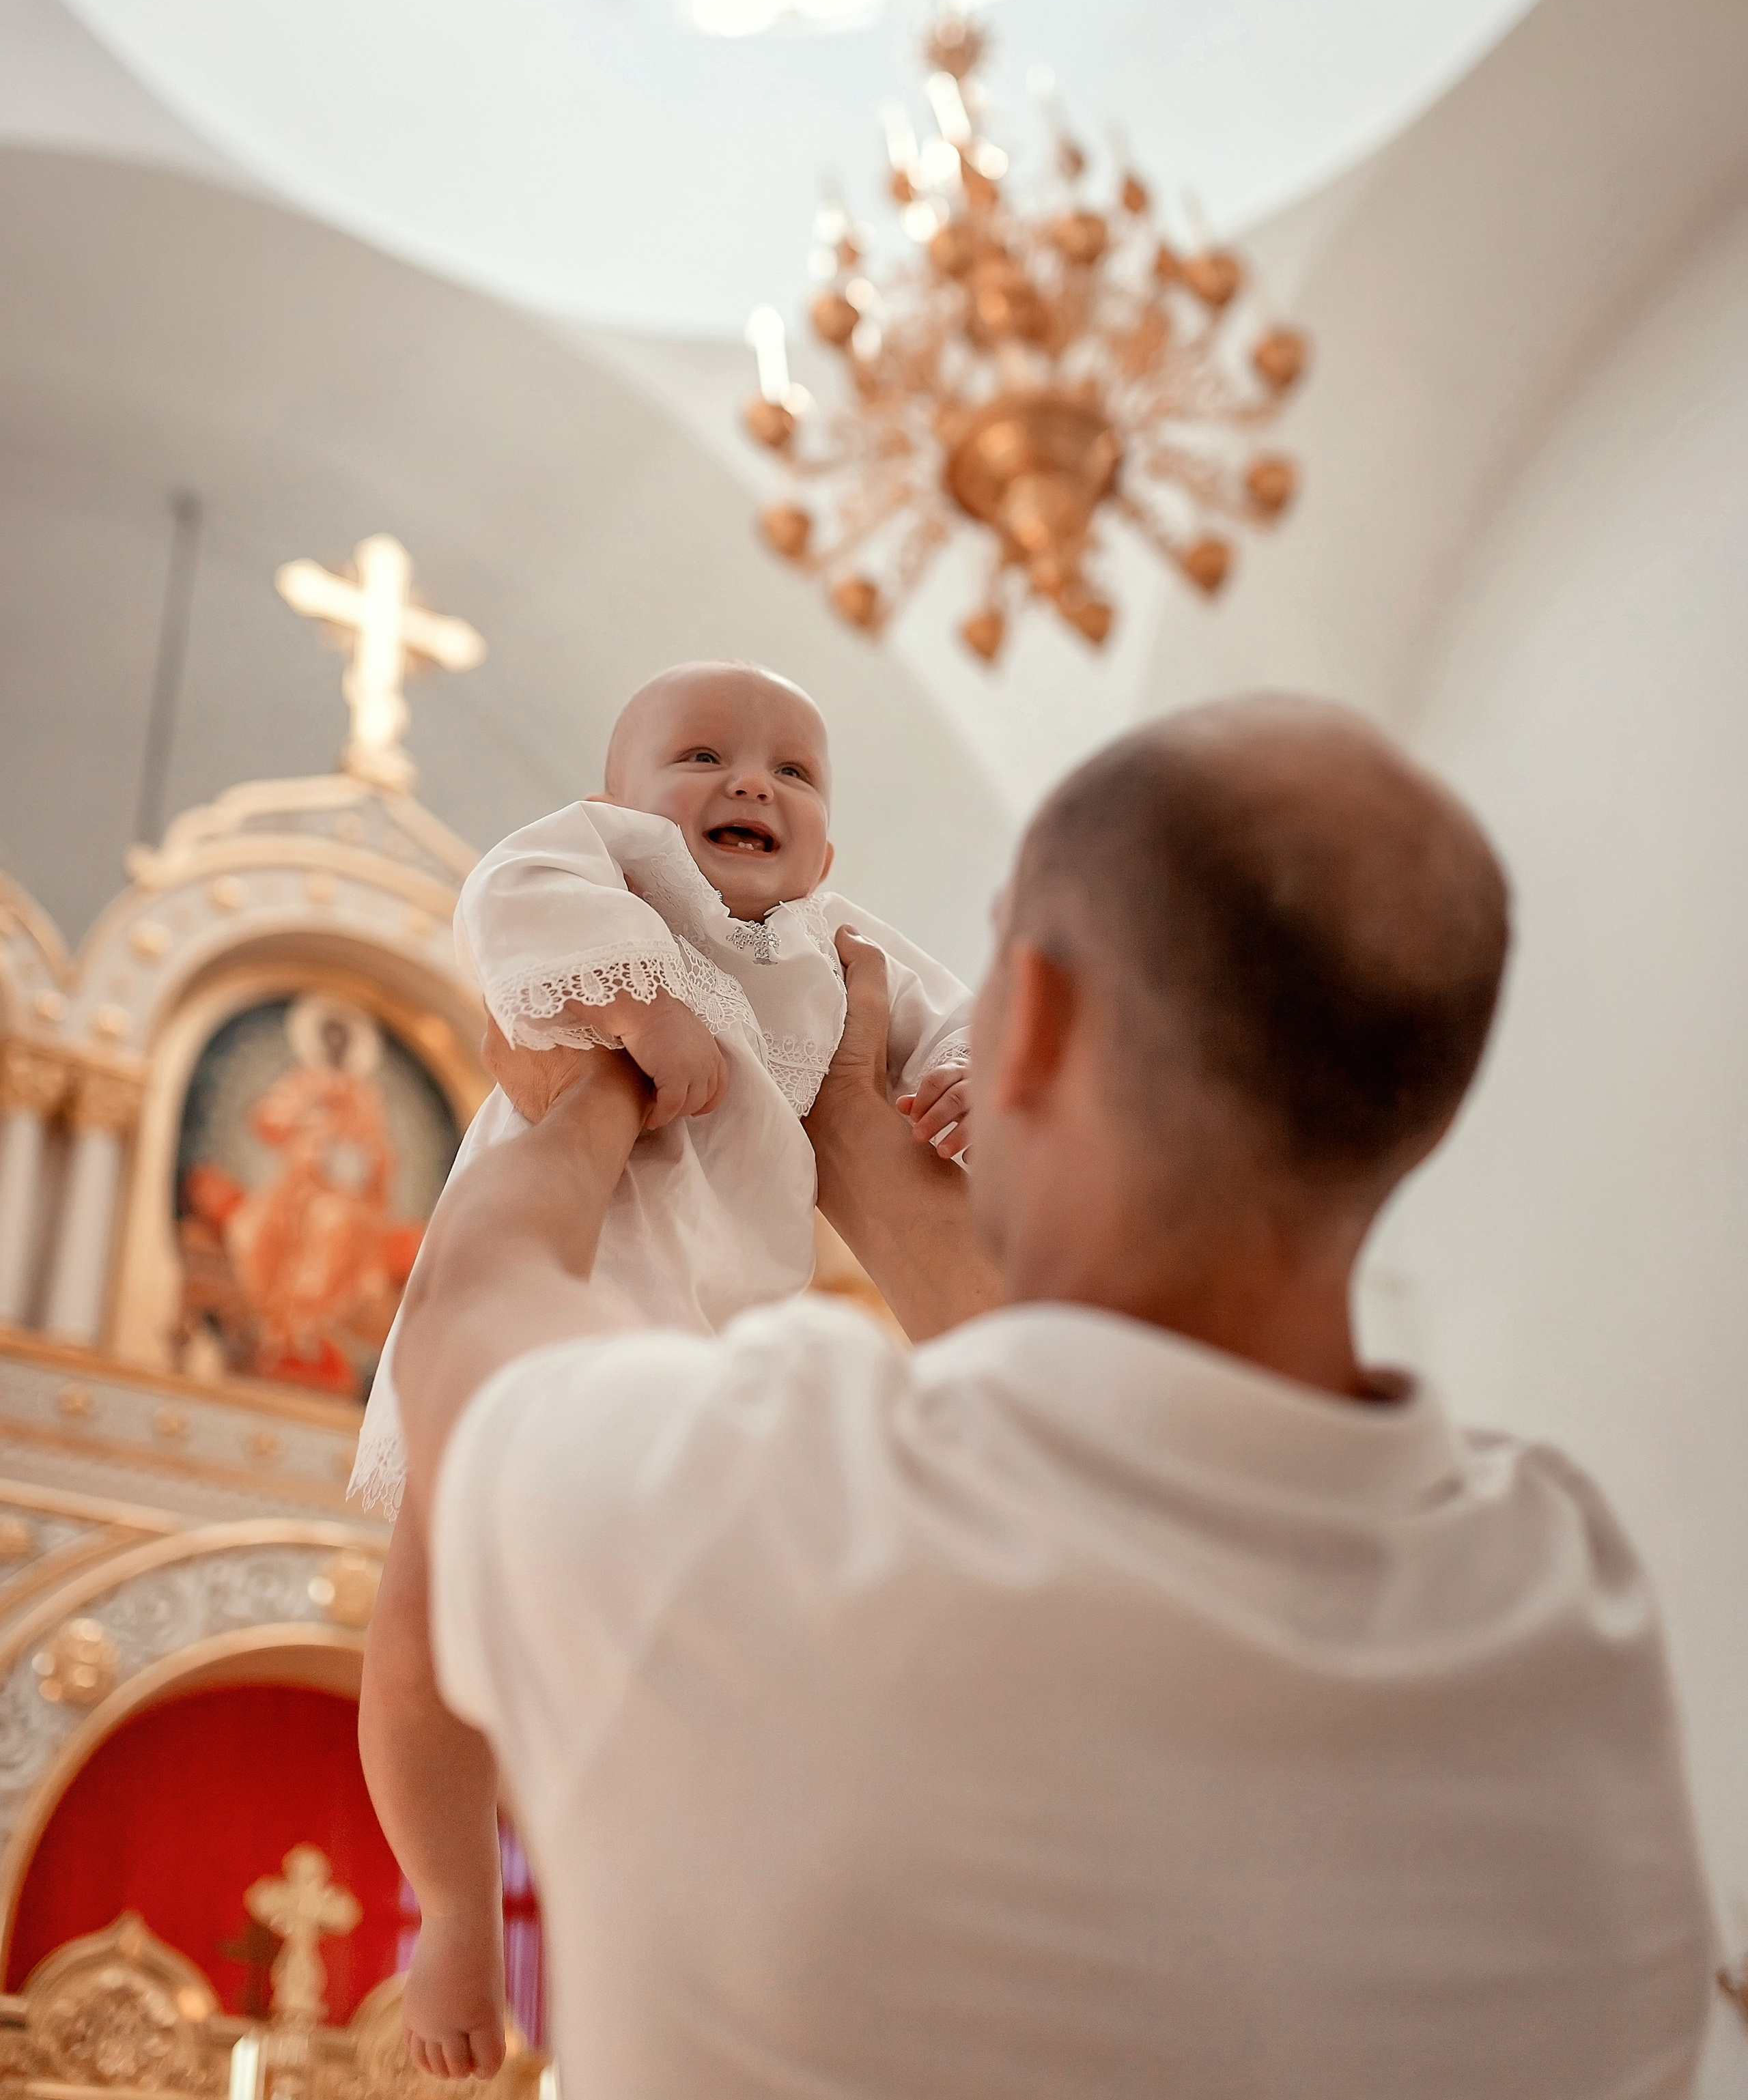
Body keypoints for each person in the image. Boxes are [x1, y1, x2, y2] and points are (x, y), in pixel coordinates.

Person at [389, 694, 1716, 2099]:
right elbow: (1112, 1464)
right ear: (1423, 1113)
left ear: (1034, 1030)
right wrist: (852, 1126)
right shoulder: (1569, 1597)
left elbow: (467, 1318)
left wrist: (590, 1084)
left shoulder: (760, 1508)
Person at [356, 661, 971, 2074]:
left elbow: (948, 1020)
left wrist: (970, 1088)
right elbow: (505, 900)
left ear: (826, 843)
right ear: (618, 797)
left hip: (719, 1348)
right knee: (421, 1623)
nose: (751, 782)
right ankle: (451, 1906)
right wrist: (633, 1000)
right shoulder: (611, 866)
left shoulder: (834, 942)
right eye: (702, 754)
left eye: (794, 771)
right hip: (540, 1291)